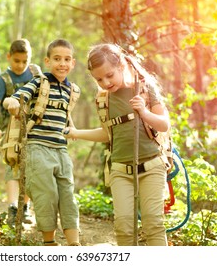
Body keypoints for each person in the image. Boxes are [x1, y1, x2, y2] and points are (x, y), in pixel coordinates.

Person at [64, 43, 170, 246]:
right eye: (99, 79)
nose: (105, 82)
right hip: (121, 170)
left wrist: (144, 113)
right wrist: (76, 133)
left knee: (154, 224)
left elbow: (164, 124)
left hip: (152, 167)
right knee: (123, 227)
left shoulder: (145, 88)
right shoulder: (103, 99)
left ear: (121, 64)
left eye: (110, 75)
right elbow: (107, 134)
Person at [3, 39, 81, 246]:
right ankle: (49, 242)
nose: (62, 64)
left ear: (72, 63)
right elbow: (18, 97)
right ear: (47, 61)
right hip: (38, 147)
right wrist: (11, 103)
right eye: (57, 59)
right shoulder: (39, 82)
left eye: (66, 59)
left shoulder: (72, 89)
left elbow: (65, 112)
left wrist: (72, 129)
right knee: (46, 193)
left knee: (67, 194)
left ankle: (74, 243)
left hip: (61, 149)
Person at [0, 38, 35, 227]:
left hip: (33, 130)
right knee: (13, 167)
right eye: (17, 61)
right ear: (9, 57)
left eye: (25, 61)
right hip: (10, 132)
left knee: (30, 169)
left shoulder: (35, 76)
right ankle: (13, 207)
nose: (21, 65)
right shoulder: (3, 80)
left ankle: (25, 207)